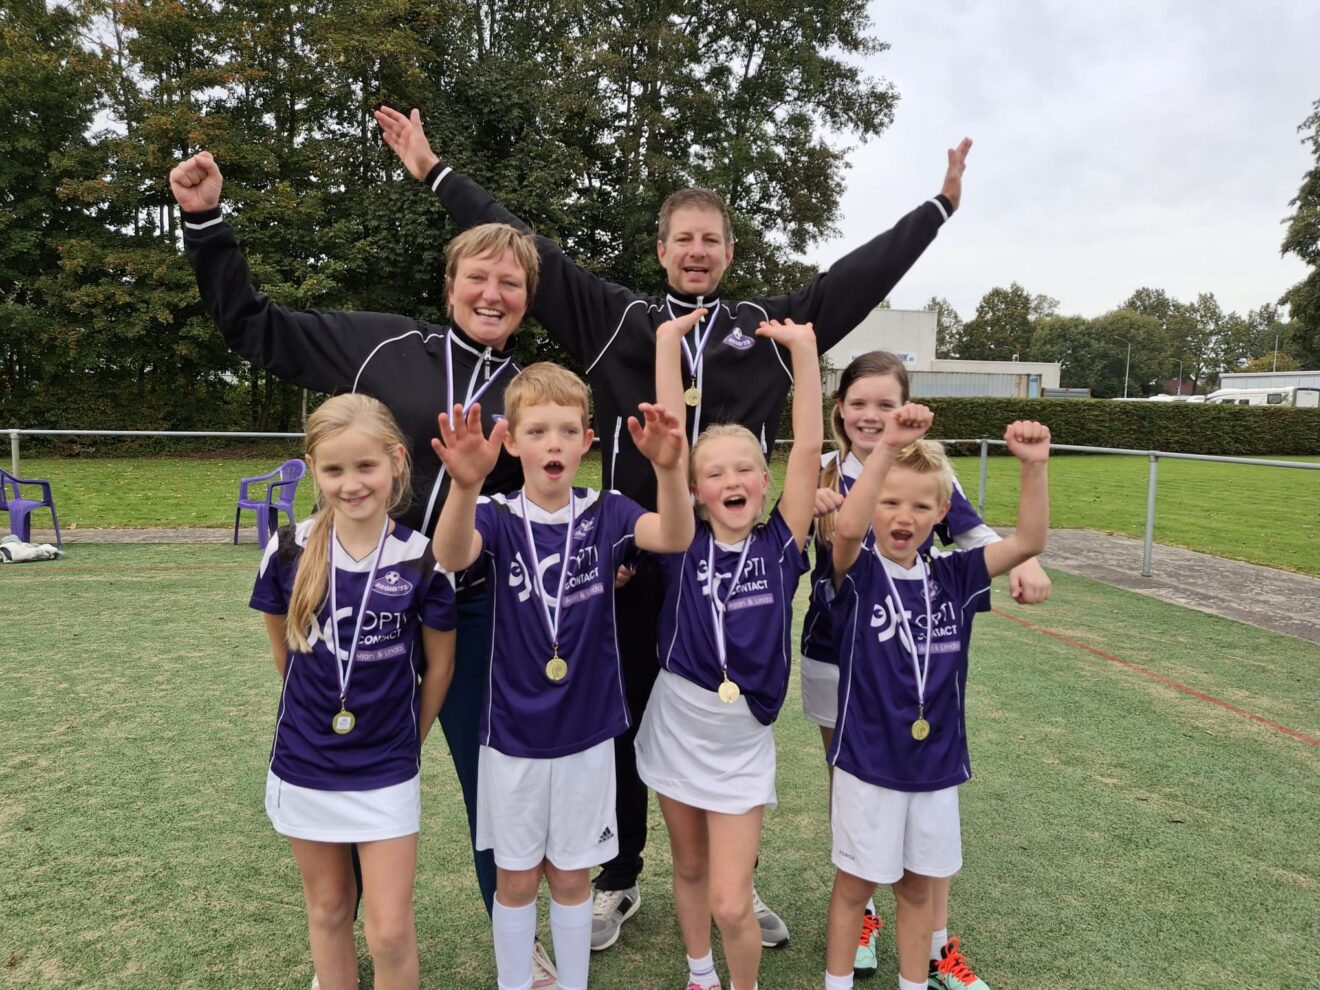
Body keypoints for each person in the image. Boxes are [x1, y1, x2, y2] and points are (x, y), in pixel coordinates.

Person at [376, 104, 971, 951]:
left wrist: (937, 209)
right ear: (660, 250)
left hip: (737, 573)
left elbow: (855, 277)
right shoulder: (619, 320)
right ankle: (618, 878)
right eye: (683, 238)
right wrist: (437, 172)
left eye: (711, 240)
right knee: (621, 722)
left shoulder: (763, 330)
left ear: (729, 252)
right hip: (634, 566)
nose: (697, 251)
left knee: (733, 720)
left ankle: (736, 878)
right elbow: (528, 249)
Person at [169, 154, 562, 986]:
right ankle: (338, 944)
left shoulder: (531, 392)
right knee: (346, 758)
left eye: (511, 283)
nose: (493, 293)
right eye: (478, 276)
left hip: (472, 610)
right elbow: (258, 329)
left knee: (494, 784)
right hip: (357, 599)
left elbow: (549, 494)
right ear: (450, 284)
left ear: (529, 300)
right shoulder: (385, 344)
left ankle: (513, 933)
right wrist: (206, 223)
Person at [428, 347, 696, 990]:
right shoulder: (494, 515)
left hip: (586, 734)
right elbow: (451, 555)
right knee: (518, 879)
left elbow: (676, 536)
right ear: (511, 442)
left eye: (568, 430)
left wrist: (669, 469)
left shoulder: (609, 511)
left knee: (573, 878)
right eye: (538, 430)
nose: (554, 443)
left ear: (587, 441)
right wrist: (465, 484)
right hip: (511, 737)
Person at [800, 352, 1052, 982]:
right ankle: (859, 931)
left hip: (930, 742)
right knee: (856, 850)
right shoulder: (840, 511)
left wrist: (1033, 471)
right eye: (859, 403)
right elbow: (844, 532)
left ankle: (933, 956)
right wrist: (885, 447)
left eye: (887, 405)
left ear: (939, 512)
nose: (902, 515)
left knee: (920, 874)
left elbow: (1018, 540)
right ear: (839, 409)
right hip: (846, 685)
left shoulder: (948, 558)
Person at [633, 317, 821, 990]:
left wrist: (804, 354)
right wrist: (666, 345)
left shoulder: (782, 544)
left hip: (742, 743)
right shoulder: (681, 538)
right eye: (713, 473)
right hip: (678, 724)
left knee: (732, 900)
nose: (731, 480)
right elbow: (670, 445)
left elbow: (808, 449)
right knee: (688, 868)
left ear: (765, 482)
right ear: (696, 490)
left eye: (745, 469)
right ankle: (700, 974)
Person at [250, 393, 457, 990]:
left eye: (365, 466)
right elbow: (285, 653)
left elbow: (440, 667)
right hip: (306, 762)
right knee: (330, 909)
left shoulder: (423, 557)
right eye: (334, 469)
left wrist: (408, 740)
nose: (351, 484)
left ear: (395, 462)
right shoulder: (288, 549)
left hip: (386, 766)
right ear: (314, 470)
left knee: (389, 931)